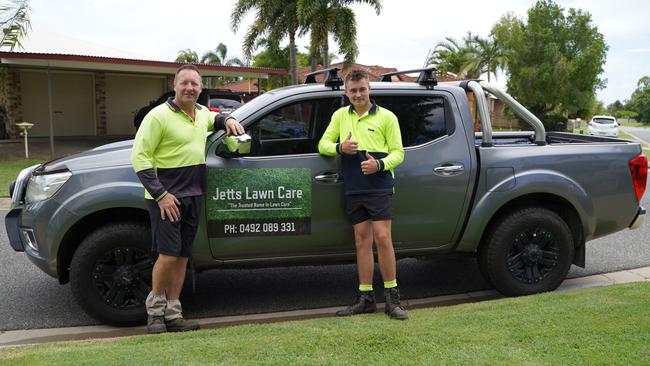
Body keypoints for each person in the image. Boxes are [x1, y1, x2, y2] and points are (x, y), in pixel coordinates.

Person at [131, 64, 244, 333]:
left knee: (182, 255)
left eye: (194, 84)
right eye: (185, 83)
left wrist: (227, 120)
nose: (190, 88)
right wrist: (161, 195)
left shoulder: (202, 114)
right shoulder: (158, 117)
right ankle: (155, 313)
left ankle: (174, 313)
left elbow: (216, 119)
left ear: (200, 88)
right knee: (168, 255)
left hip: (193, 195)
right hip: (166, 198)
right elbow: (140, 157)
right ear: (175, 85)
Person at [318, 69, 408, 320]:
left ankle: (393, 299)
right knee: (361, 241)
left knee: (382, 238)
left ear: (369, 89)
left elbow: (398, 153)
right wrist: (340, 147)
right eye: (353, 90)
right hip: (353, 185)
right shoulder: (339, 116)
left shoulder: (387, 117)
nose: (358, 94)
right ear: (346, 93)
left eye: (362, 89)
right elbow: (322, 145)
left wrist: (378, 165)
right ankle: (366, 298)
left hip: (378, 184)